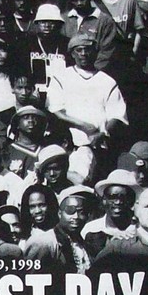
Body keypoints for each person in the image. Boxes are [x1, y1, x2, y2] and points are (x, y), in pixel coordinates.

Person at [46, 31, 129, 183]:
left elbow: (117, 115)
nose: (84, 54)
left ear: (95, 52)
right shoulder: (61, 77)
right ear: (72, 53)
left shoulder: (107, 81)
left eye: (88, 49)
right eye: (79, 50)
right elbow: (55, 109)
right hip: (68, 143)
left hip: (99, 145)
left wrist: (102, 133)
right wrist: (83, 125)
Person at [24, 185, 98, 273]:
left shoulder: (83, 242)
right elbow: (32, 278)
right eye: (70, 211)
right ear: (59, 213)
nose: (76, 217)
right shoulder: (44, 242)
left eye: (82, 212)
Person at [83, 169, 139, 253]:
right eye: (112, 197)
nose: (117, 202)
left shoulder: (138, 230)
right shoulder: (91, 228)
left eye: (123, 197)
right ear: (104, 200)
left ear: (131, 201)